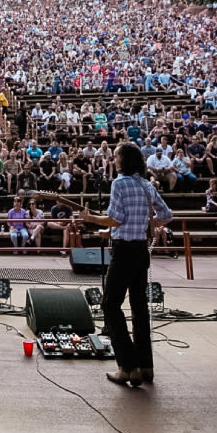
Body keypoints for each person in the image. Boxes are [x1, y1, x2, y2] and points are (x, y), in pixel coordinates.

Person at [78, 142, 172, 388]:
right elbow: (167, 214)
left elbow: (114, 220)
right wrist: (150, 222)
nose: (114, 159)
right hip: (141, 250)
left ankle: (127, 366)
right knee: (139, 307)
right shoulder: (146, 184)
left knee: (110, 305)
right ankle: (146, 366)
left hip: (124, 250)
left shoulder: (119, 183)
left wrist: (89, 218)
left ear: (123, 160)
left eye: (116, 156)